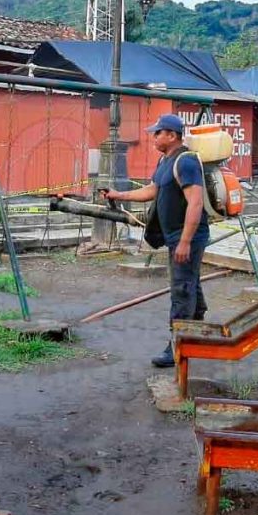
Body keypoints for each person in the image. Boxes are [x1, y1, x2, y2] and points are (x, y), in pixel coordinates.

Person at [105, 114, 209, 367]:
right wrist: (119, 194)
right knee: (189, 284)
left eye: (157, 132)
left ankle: (177, 347)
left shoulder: (186, 162)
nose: (153, 137)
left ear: (172, 135)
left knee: (181, 290)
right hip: (175, 236)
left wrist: (185, 241)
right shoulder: (165, 161)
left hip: (188, 237)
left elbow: (195, 202)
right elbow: (152, 190)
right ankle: (197, 334)